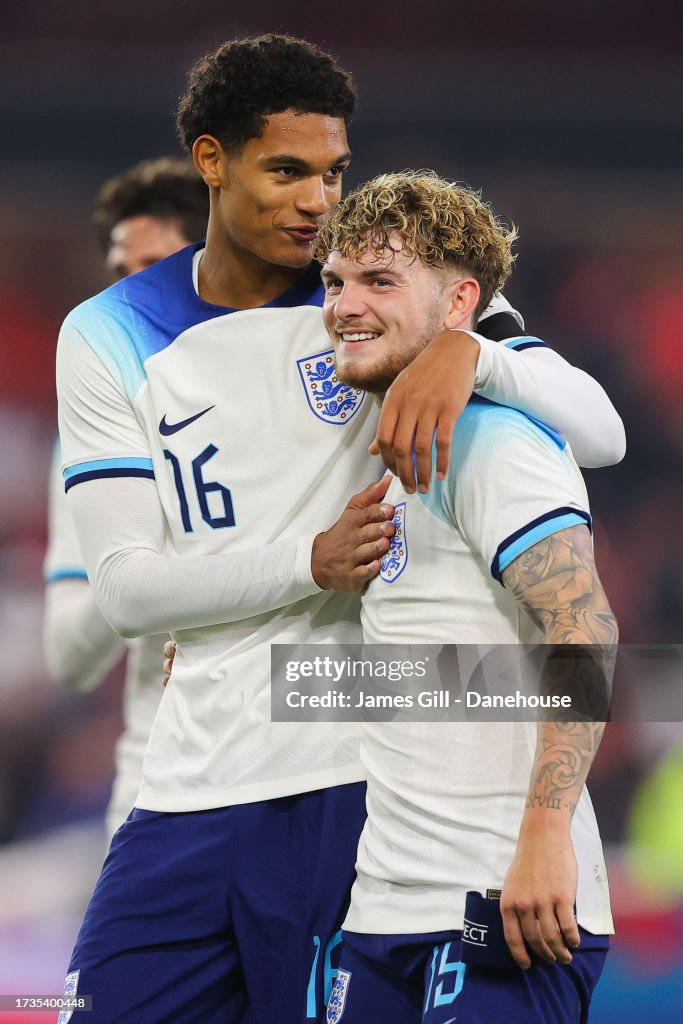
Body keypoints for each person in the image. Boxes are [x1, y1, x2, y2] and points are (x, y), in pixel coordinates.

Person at [56, 34, 623, 1024]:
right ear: (211, 161)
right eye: (287, 171)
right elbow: (125, 591)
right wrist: (306, 563)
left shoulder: (391, 285)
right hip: (188, 780)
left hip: (350, 786)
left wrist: (472, 353)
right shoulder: (108, 331)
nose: (318, 201)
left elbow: (600, 433)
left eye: (333, 172)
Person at [315, 171, 617, 1023]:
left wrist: (544, 840)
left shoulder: (490, 437)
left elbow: (583, 625)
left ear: (458, 304)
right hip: (383, 908)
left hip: (501, 900)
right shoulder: (392, 450)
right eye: (335, 282)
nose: (344, 306)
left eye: (380, 281)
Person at [43, 156, 208, 838]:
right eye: (120, 272)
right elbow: (69, 658)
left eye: (155, 268)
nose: (130, 295)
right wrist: (133, 555)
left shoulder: (313, 390)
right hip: (156, 779)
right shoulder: (94, 433)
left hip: (313, 773)